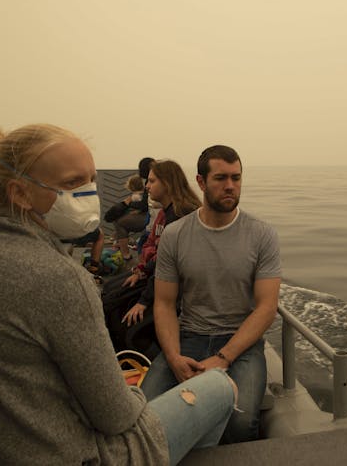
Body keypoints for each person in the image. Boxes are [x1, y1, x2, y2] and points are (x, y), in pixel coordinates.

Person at [0, 125, 237, 465]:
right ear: (20, 193)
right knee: (220, 386)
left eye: (90, 180)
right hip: (73, 455)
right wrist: (129, 392)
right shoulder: (59, 277)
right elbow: (116, 417)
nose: (89, 192)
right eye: (73, 183)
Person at [141, 145, 282, 443]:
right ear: (201, 182)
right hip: (189, 336)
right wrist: (173, 356)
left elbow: (267, 307)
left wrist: (223, 357)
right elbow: (164, 304)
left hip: (241, 343)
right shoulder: (176, 235)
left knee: (241, 423)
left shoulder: (262, 234)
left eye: (236, 178)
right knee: (144, 414)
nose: (230, 186)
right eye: (220, 178)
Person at [102, 160, 201, 356]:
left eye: (152, 181)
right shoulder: (167, 213)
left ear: (168, 183)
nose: (147, 186)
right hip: (158, 276)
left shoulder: (181, 215)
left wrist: (143, 302)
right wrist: (141, 271)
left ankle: (141, 358)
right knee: (110, 289)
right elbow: (156, 252)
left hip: (177, 288)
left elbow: (168, 265)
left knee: (116, 309)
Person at [110, 158, 153, 260]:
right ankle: (121, 243)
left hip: (149, 216)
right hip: (148, 213)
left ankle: (125, 254)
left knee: (119, 222)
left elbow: (145, 204)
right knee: (120, 219)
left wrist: (129, 204)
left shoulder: (150, 181)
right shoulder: (151, 181)